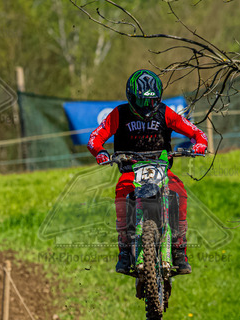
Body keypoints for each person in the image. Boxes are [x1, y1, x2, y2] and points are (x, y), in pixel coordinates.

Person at [87, 69, 208, 275]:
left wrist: (200, 144)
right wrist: (100, 152)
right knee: (122, 192)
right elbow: (95, 138)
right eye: (141, 101)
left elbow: (196, 132)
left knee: (179, 191)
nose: (146, 106)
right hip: (131, 169)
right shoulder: (119, 114)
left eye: (151, 101)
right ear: (131, 97)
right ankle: (125, 249)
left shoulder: (165, 112)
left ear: (158, 98)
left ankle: (179, 249)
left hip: (160, 168)